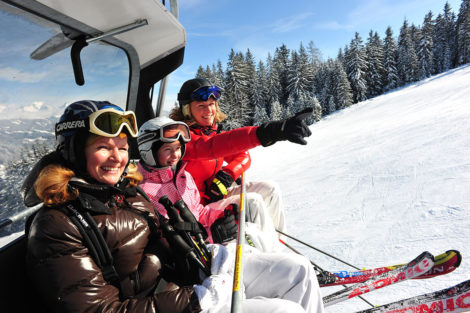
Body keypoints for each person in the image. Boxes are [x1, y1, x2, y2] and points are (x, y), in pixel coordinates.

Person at [23, 100, 324, 313]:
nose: (116, 157)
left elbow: (169, 241)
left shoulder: (126, 192)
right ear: (75, 151)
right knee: (284, 309)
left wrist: (200, 236)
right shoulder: (58, 224)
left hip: (187, 278)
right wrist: (197, 299)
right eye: (103, 147)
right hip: (177, 299)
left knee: (296, 271)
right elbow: (100, 308)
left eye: (122, 147)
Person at [170, 77, 312, 246]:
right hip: (196, 209)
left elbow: (243, 156)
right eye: (201, 106)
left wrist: (227, 174)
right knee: (252, 202)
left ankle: (277, 246)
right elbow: (210, 148)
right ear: (187, 110)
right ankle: (269, 258)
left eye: (212, 104)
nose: (209, 110)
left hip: (214, 197)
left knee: (270, 189)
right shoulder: (180, 139)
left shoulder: (211, 132)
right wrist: (270, 132)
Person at [137, 116, 279, 251]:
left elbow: (199, 212)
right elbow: (173, 237)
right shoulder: (146, 192)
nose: (175, 155)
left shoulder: (183, 176)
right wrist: (214, 235)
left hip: (207, 235)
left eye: (178, 148)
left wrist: (222, 215)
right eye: (168, 149)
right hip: (199, 252)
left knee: (253, 230)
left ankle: (273, 252)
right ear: (148, 152)